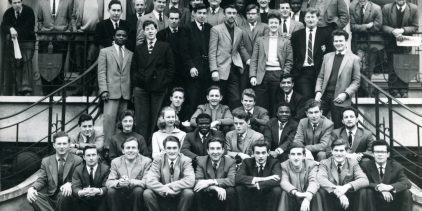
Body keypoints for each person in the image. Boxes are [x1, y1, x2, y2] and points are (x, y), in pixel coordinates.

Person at [131, 20, 175, 142]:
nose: (150, 31)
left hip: (159, 88)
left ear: (156, 30)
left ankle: (154, 145)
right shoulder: (139, 48)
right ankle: (142, 145)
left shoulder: (164, 46)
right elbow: (133, 70)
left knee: (156, 117)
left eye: (152, 28)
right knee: (142, 118)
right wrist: (139, 82)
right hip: (142, 88)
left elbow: (171, 68)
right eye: (147, 29)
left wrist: (163, 82)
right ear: (144, 32)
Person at [315, 29, 361, 129]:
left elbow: (356, 81)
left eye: (341, 41)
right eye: (336, 41)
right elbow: (320, 77)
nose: (338, 43)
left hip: (340, 98)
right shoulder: (327, 56)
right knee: (316, 124)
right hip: (324, 97)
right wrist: (318, 91)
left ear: (346, 41)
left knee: (339, 127)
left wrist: (346, 94)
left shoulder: (354, 59)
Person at [249, 12, 293, 116]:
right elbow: (254, 59)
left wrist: (284, 74)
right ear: (268, 24)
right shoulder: (260, 40)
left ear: (279, 24)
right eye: (271, 23)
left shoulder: (285, 41)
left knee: (276, 103)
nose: (273, 25)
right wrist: (253, 76)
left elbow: (289, 61)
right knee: (261, 103)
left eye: (276, 23)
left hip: (278, 74)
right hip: (262, 75)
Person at [27, 131, 83, 211]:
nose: (62, 146)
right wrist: (32, 188)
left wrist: (70, 184)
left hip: (68, 198)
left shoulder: (77, 160)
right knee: (33, 196)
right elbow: (42, 179)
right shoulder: (46, 161)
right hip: (51, 198)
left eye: (64, 144)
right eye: (59, 144)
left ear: (68, 145)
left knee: (64, 194)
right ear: (54, 145)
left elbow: (80, 179)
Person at [209, 4, 250, 110]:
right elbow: (212, 52)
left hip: (234, 68)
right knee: (219, 97)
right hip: (220, 68)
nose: (231, 15)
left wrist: (248, 59)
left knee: (235, 98)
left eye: (234, 13)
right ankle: (218, 123)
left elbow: (240, 47)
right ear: (224, 14)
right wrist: (214, 70)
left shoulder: (239, 31)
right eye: (229, 13)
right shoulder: (216, 29)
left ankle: (233, 122)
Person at [98, 27, 133, 147]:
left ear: (126, 38)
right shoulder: (105, 52)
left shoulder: (130, 54)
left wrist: (131, 92)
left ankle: (119, 147)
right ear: (114, 37)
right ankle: (107, 147)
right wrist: (103, 90)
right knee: (109, 121)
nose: (121, 37)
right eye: (118, 35)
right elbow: (101, 72)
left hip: (125, 93)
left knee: (122, 122)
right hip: (110, 93)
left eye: (123, 35)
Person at [143, 136, 195, 211]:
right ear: (164, 149)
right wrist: (164, 189)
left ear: (179, 149)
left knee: (188, 193)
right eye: (169, 148)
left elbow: (190, 180)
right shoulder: (158, 160)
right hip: (162, 194)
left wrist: (170, 186)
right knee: (147, 193)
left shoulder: (186, 160)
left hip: (178, 194)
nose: (172, 151)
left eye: (174, 148)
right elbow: (150, 181)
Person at [291, 7, 332, 100]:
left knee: (320, 98)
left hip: (320, 72)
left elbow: (330, 54)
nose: (310, 20)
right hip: (302, 72)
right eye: (308, 17)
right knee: (306, 97)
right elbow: (292, 55)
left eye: (313, 17)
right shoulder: (296, 35)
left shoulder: (326, 34)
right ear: (304, 19)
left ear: (317, 19)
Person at [317, 138, 369, 211]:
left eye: (341, 151)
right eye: (336, 150)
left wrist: (346, 187)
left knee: (363, 190)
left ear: (347, 152)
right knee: (321, 191)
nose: (338, 154)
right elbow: (321, 179)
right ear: (332, 151)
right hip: (330, 198)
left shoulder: (353, 163)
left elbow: (364, 180)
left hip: (349, 199)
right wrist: (339, 193)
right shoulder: (325, 163)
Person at [359, 140, 412, 211]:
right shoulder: (365, 165)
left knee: (407, 192)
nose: (380, 155)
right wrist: (379, 188)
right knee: (366, 191)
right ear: (373, 154)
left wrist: (389, 187)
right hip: (373, 202)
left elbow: (407, 183)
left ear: (388, 154)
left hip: (391, 202)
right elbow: (362, 181)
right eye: (377, 152)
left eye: (383, 152)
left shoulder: (396, 166)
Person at [382, 0, 418, 98]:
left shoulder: (413, 8)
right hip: (391, 42)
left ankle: (403, 90)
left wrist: (403, 30)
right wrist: (393, 31)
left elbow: (415, 27)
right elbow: (383, 25)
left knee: (404, 66)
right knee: (392, 66)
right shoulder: (387, 8)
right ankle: (393, 90)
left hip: (405, 42)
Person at [36, 0, 74, 95]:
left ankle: (57, 92)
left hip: (61, 39)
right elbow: (39, 20)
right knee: (44, 65)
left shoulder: (67, 2)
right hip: (45, 39)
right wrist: (42, 30)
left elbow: (71, 18)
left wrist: (67, 32)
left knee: (59, 66)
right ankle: (46, 93)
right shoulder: (41, 2)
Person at [106, 138, 152, 211]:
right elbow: (109, 182)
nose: (130, 150)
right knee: (111, 191)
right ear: (123, 151)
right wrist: (119, 183)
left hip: (137, 196)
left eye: (133, 148)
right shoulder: (115, 162)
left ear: (138, 150)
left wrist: (130, 181)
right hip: (121, 193)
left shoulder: (146, 161)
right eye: (128, 148)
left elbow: (146, 182)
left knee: (138, 190)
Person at [235, 141, 282, 211]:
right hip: (250, 194)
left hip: (267, 193)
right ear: (253, 153)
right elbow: (238, 178)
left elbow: (277, 179)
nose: (260, 156)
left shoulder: (274, 162)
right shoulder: (247, 162)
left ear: (268, 153)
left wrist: (257, 185)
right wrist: (265, 178)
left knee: (277, 190)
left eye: (263, 153)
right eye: (257, 153)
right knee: (239, 188)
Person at [1, 0, 35, 96]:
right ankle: (19, 90)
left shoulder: (29, 11)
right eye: (14, 3)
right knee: (17, 64)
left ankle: (27, 89)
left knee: (26, 62)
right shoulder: (8, 13)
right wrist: (10, 29)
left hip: (28, 42)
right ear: (11, 3)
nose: (17, 5)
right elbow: (4, 25)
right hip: (14, 43)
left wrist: (15, 31)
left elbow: (29, 27)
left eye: (19, 2)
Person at [349, 0, 383, 97]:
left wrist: (360, 27)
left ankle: (366, 93)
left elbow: (377, 27)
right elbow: (352, 26)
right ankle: (368, 92)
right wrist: (367, 26)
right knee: (359, 69)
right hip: (357, 43)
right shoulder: (352, 6)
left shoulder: (376, 8)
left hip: (372, 44)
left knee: (369, 70)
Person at [194, 138, 237, 211]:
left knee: (231, 191)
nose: (215, 152)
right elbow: (197, 181)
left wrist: (210, 181)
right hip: (207, 193)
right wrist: (214, 188)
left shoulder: (230, 162)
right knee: (199, 190)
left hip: (223, 194)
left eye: (218, 148)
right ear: (208, 151)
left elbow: (232, 180)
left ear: (223, 150)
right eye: (212, 149)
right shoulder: (201, 161)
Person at [278, 142, 322, 211]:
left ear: (304, 155)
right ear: (289, 156)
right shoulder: (284, 166)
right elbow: (284, 181)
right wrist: (296, 193)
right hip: (293, 197)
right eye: (293, 154)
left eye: (299, 154)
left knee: (316, 195)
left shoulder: (311, 165)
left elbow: (314, 181)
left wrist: (308, 197)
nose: (296, 158)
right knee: (284, 194)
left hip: (308, 196)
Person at [185, 3, 213, 111]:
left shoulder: (209, 28)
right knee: (193, 98)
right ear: (193, 13)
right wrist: (191, 66)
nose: (202, 15)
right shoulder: (187, 28)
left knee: (205, 97)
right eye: (199, 13)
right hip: (194, 69)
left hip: (207, 69)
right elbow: (184, 51)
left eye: (204, 13)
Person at [157, 8, 190, 89]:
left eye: (176, 18)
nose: (174, 21)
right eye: (171, 18)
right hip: (168, 71)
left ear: (179, 20)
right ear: (168, 19)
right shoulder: (161, 35)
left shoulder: (185, 32)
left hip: (183, 71)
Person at [240, 4, 269, 91]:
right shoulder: (240, 28)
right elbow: (240, 45)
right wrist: (247, 59)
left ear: (257, 14)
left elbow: (265, 44)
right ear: (246, 15)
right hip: (246, 64)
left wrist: (256, 60)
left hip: (260, 63)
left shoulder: (265, 27)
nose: (251, 16)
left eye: (253, 13)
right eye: (248, 13)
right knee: (243, 89)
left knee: (259, 90)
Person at [71, 146, 110, 211]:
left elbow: (107, 186)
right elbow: (75, 187)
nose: (91, 158)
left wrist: (98, 191)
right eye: (88, 155)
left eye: (93, 155)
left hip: (100, 201)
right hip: (83, 201)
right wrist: (82, 192)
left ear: (98, 156)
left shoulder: (105, 169)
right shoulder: (78, 169)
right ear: (84, 157)